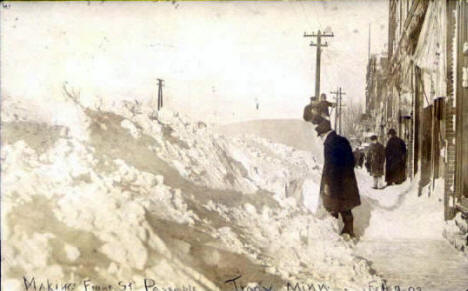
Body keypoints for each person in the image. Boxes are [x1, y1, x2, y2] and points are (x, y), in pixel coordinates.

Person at [303, 102, 361, 237]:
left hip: (337, 181)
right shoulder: (342, 140)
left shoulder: (329, 143)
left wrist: (328, 184)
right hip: (347, 180)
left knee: (333, 206)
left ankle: (337, 234)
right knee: (345, 208)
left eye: (321, 136)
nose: (321, 139)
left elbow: (330, 166)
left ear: (324, 134)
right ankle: (348, 230)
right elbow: (352, 161)